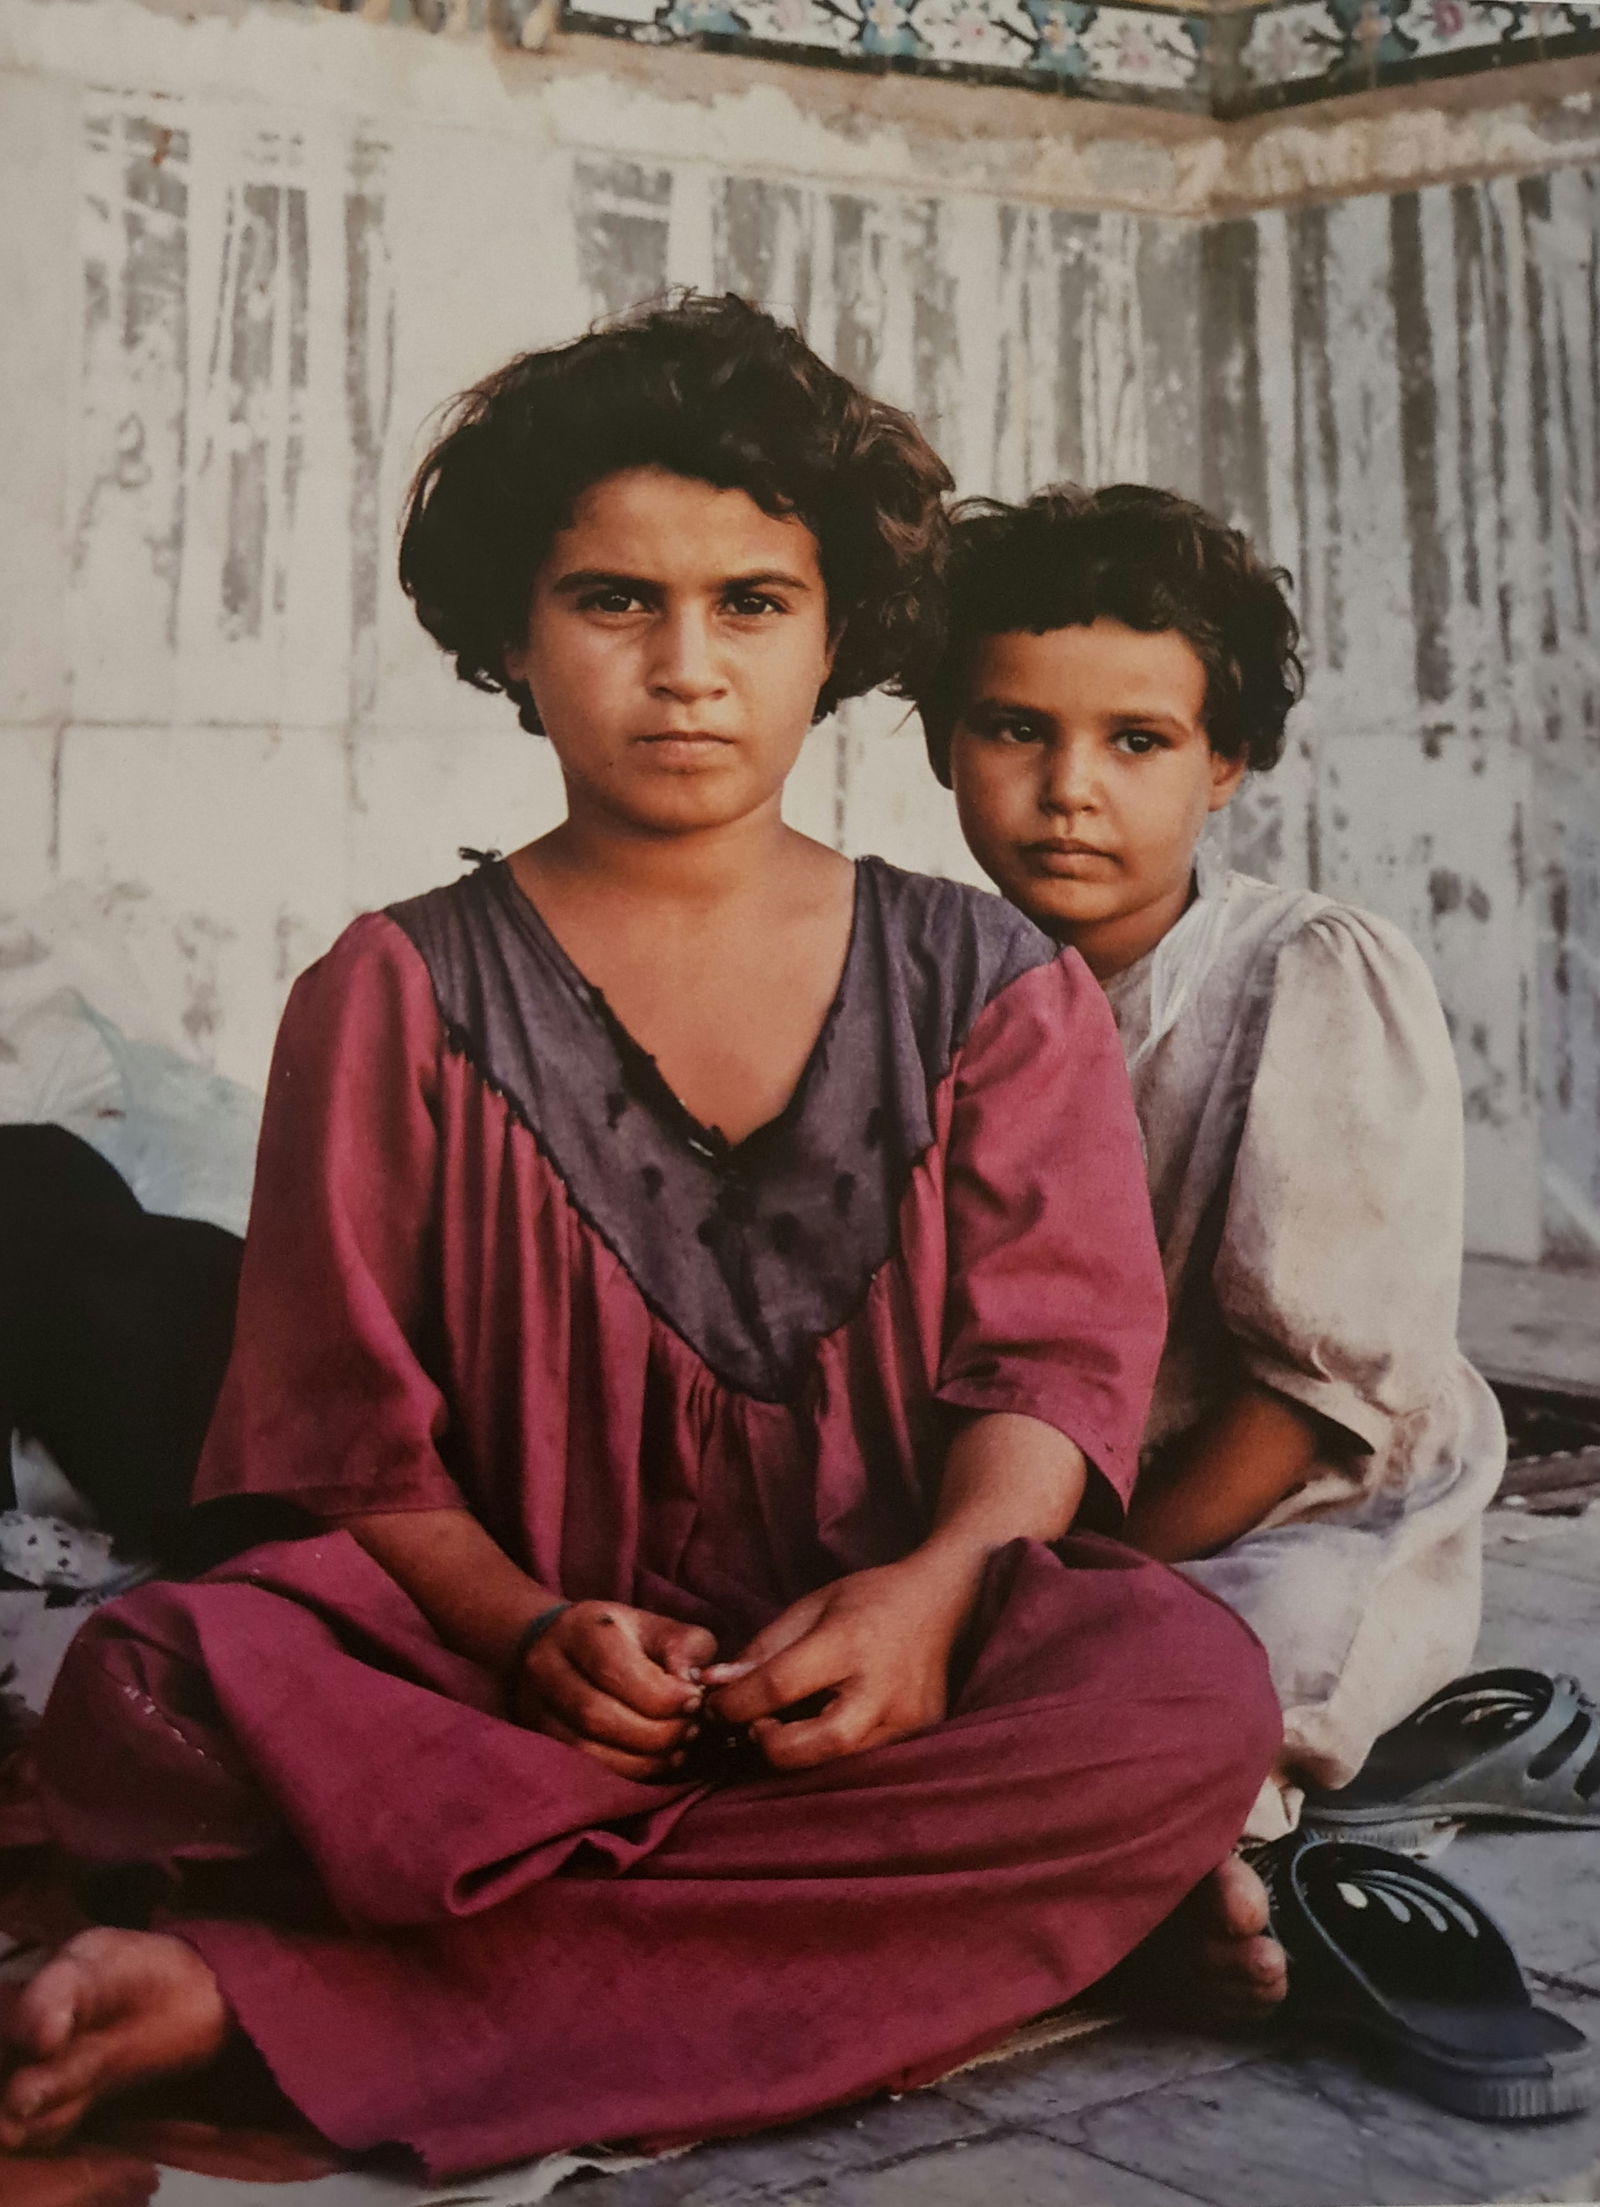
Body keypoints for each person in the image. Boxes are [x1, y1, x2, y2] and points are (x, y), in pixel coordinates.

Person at [0, 306, 1279, 2172]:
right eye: (614, 602)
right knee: (158, 1692)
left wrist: (931, 1599)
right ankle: (951, 1923)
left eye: (753, 604)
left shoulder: (992, 983)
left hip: (888, 1686)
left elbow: (1050, 1374)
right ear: (514, 637)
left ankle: (270, 1999)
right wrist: (527, 1635)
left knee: (1180, 1696)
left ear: (839, 636)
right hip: (519, 1693)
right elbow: (347, 1442)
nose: (688, 669)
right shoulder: (392, 991)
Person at [916, 482, 1506, 2002]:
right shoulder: (924, 983)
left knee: (1213, 1668)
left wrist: (1078, 1576)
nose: (1069, 790)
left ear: (1225, 762)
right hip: (1034, 1497)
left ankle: (1200, 1869)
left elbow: (1312, 1395)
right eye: (1014, 729)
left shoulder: (1300, 977)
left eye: (1137, 741)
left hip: (1274, 1498)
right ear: (941, 743)